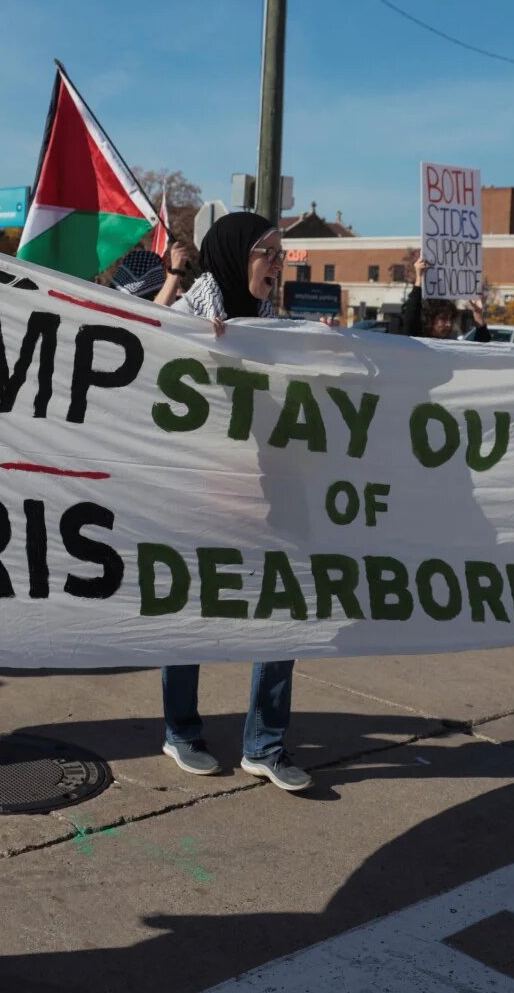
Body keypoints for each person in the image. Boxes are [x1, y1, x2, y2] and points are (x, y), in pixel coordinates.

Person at [157, 212, 311, 791]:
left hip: (265, 492)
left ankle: (265, 745)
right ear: (233, 254)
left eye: (280, 253)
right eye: (266, 251)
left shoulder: (273, 325)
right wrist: (197, 349)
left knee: (284, 611)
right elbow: (143, 365)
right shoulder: (185, 316)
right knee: (190, 614)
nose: (277, 263)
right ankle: (181, 731)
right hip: (197, 496)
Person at [407, 259, 493, 341]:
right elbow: (411, 316)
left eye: (450, 319)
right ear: (429, 320)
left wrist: (478, 315)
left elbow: (482, 351)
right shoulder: (416, 343)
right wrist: (419, 279)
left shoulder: (451, 348)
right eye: (443, 319)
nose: (448, 324)